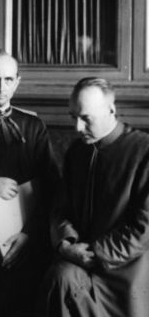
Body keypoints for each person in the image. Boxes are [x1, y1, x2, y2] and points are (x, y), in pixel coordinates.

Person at [41, 77, 149, 317]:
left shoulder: (144, 151)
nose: (77, 128)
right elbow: (60, 208)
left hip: (126, 270)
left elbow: (143, 229)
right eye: (73, 117)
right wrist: (65, 244)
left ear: (111, 110)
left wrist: (92, 254)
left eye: (86, 118)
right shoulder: (76, 152)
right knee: (60, 277)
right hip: (79, 261)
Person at [0, 50, 60, 317]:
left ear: (17, 82)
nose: (1, 87)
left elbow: (52, 187)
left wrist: (29, 234)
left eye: (8, 79)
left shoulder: (33, 126)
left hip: (26, 235)